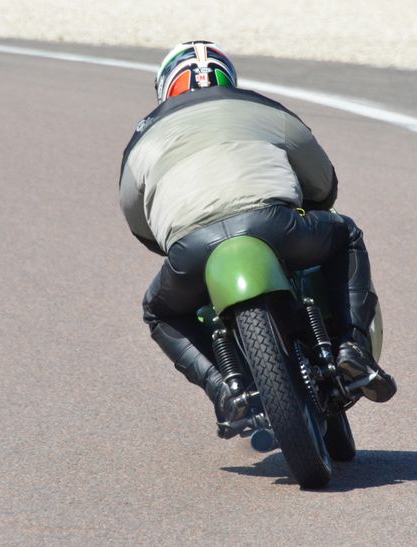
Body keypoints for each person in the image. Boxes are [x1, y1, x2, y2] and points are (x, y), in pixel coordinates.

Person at [118, 40, 397, 437]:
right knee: (345, 233)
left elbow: (138, 223)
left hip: (193, 246)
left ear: (165, 88)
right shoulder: (263, 107)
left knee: (159, 310)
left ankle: (225, 390)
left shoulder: (142, 138)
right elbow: (323, 184)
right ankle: (353, 347)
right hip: (273, 225)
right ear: (228, 78)